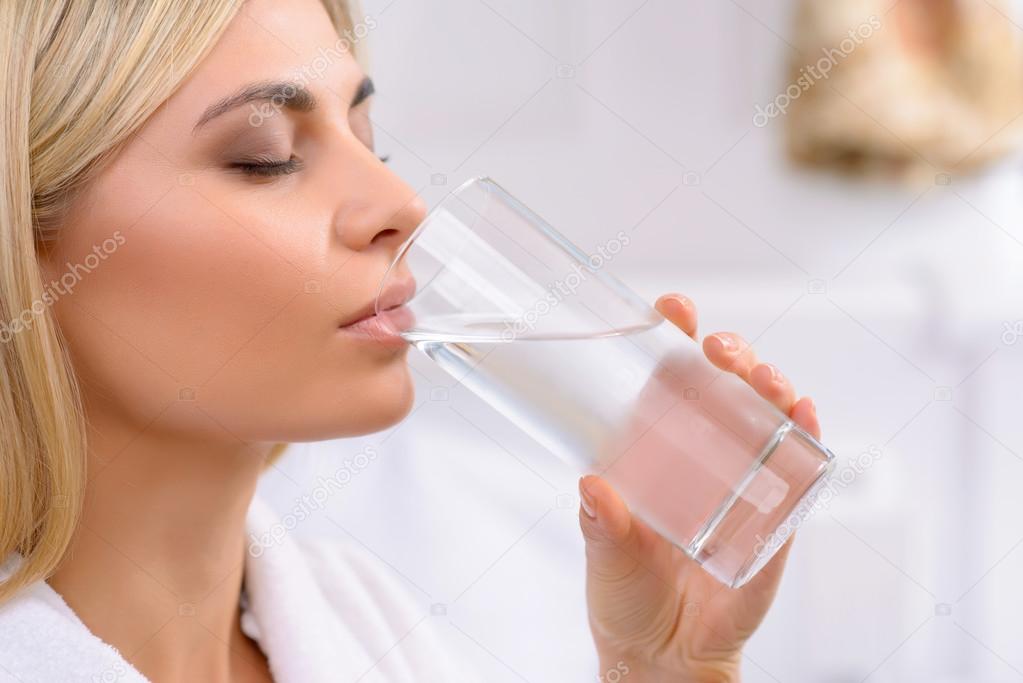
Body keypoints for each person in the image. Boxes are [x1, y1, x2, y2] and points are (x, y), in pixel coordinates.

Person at [0, 1, 822, 680]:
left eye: (368, 139)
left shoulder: (368, 625)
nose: (400, 202)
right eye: (267, 158)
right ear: (23, 249)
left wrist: (664, 668)